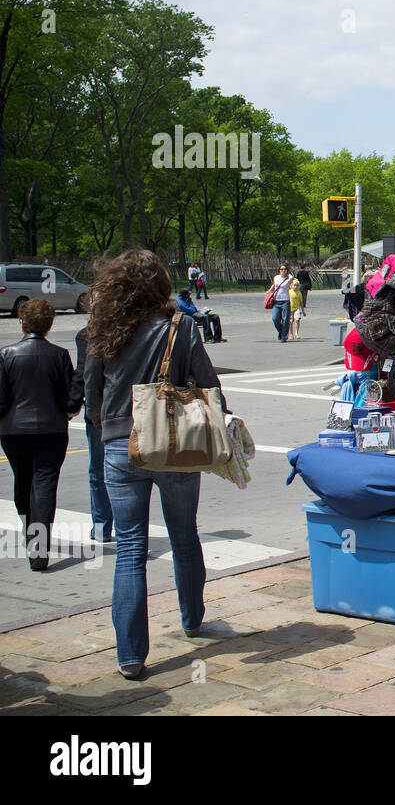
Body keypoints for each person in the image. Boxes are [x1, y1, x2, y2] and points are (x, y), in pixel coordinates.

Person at [85, 248, 227, 680]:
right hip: (174, 444)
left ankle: (130, 655)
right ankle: (192, 617)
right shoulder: (180, 328)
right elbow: (209, 386)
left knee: (130, 548)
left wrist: (105, 423)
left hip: (118, 445)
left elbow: (91, 396)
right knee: (185, 535)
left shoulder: (102, 328)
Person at [0, 299, 78, 570]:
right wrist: (68, 411)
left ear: (22, 322)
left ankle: (31, 533)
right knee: (44, 486)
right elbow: (70, 398)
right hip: (52, 429)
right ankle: (38, 547)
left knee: (23, 482)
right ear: (50, 324)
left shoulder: (6, 354)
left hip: (14, 431)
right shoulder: (59, 355)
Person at [72, 327, 112, 543]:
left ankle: (102, 527)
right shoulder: (137, 327)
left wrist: (74, 405)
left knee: (98, 472)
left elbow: (85, 373)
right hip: (129, 409)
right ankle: (118, 527)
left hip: (101, 412)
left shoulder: (89, 334)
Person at [270, 264, 292, 342]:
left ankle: (284, 336)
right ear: (279, 270)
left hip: (286, 301)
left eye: (285, 269)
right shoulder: (276, 277)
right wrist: (270, 291)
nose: (283, 270)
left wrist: (290, 277)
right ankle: (281, 331)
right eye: (282, 269)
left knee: (285, 319)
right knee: (275, 318)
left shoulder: (289, 279)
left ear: (287, 270)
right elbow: (274, 285)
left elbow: (294, 281)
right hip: (276, 301)